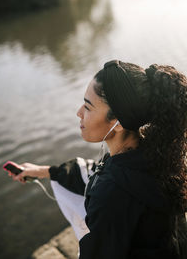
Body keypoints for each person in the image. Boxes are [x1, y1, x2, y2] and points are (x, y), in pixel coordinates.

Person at [10, 60, 187, 258]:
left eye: (88, 106)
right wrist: (45, 172)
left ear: (117, 122)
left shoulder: (111, 196)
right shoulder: (157, 154)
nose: (78, 113)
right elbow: (95, 172)